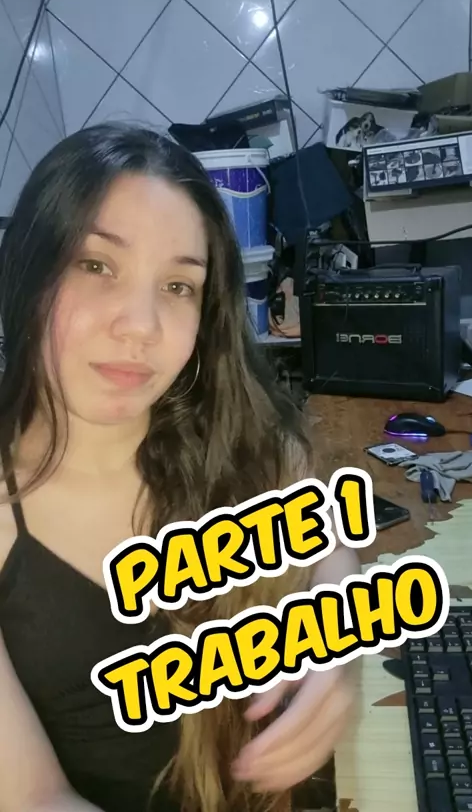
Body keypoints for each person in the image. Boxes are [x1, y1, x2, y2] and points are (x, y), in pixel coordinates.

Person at [0, 123, 359, 812]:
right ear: (29, 270)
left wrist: (334, 654)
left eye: (177, 285)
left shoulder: (232, 437)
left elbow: (323, 528)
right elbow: (33, 795)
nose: (141, 325)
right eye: (95, 265)